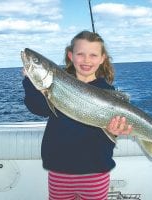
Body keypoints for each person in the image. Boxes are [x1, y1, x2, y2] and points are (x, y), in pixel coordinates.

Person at [23, 30, 132, 200]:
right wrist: (30, 81)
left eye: (93, 55)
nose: (86, 60)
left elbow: (108, 134)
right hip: (59, 170)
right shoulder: (55, 86)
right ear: (70, 56)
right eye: (80, 54)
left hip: (95, 172)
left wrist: (115, 130)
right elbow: (38, 108)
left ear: (102, 58)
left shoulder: (109, 93)